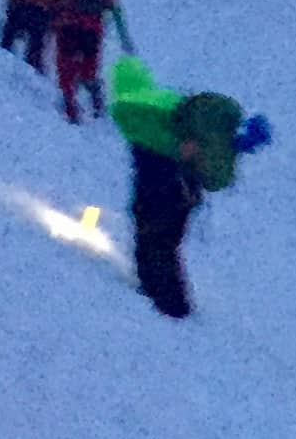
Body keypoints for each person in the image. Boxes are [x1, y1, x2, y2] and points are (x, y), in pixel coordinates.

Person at [107, 54, 261, 317]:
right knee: (168, 241)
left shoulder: (132, 110)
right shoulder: (168, 101)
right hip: (186, 187)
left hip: (161, 184)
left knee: (154, 238)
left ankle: (166, 303)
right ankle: (171, 300)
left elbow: (152, 152)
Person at [47, 0, 134, 123]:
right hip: (93, 30)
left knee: (66, 67)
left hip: (68, 25)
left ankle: (71, 106)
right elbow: (115, 8)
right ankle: (97, 102)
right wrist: (124, 37)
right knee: (89, 68)